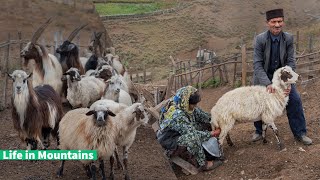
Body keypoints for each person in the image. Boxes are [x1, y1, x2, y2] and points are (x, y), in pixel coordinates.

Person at [252, 8, 312, 145]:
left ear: (283, 22)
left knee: (295, 100)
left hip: (283, 77)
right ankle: (258, 131)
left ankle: (300, 133)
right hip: (264, 77)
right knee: (258, 102)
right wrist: (267, 83)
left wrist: (288, 84)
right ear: (268, 23)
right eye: (274, 22)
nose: (277, 25)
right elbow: (257, 65)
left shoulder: (288, 38)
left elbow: (291, 62)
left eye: (280, 21)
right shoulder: (260, 40)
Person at [156, 86, 223, 171]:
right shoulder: (177, 115)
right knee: (192, 138)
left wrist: (216, 120)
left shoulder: (184, 104)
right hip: (169, 139)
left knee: (205, 124)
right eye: (193, 104)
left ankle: (208, 150)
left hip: (180, 131)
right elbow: (192, 134)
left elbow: (204, 116)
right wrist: (211, 133)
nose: (195, 106)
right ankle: (204, 164)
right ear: (186, 102)